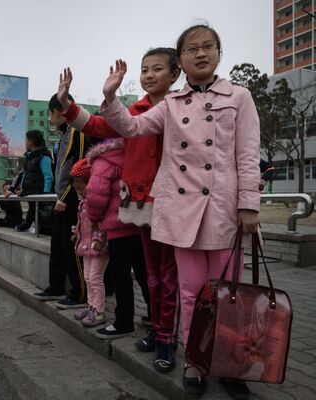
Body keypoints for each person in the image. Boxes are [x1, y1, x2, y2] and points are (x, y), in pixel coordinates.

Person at [96, 25, 261, 399]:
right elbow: (133, 127)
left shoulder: (239, 96)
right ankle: (196, 361)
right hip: (181, 211)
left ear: (219, 52)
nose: (200, 54)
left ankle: (231, 365)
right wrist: (111, 96)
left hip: (224, 211)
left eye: (207, 47)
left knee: (227, 296)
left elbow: (249, 154)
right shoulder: (170, 104)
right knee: (190, 293)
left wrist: (249, 204)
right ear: (181, 60)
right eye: (191, 49)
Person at [59, 48, 182, 372]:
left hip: (173, 203)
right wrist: (67, 102)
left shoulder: (183, 108)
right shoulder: (135, 112)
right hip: (140, 206)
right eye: (144, 69)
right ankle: (158, 331)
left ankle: (168, 338)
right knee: (152, 277)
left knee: (166, 277)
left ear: (174, 75)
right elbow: (97, 125)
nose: (149, 74)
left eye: (157, 68)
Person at [33, 93, 91, 309]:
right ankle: (56, 286)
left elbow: (81, 168)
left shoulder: (78, 131)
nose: (50, 119)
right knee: (57, 244)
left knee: (71, 248)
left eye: (51, 113)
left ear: (58, 111)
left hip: (72, 200)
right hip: (62, 200)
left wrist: (66, 197)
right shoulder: (65, 135)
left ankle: (79, 293)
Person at [69, 158, 110, 327]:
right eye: (76, 188)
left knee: (95, 278)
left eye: (81, 187)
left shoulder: (96, 202)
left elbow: (103, 223)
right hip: (86, 246)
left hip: (98, 247)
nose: (79, 191)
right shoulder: (83, 203)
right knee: (87, 277)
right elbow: (82, 225)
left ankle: (99, 311)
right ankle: (91, 306)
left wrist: (99, 239)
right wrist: (75, 233)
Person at [15, 130, 54, 234]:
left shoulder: (43, 156)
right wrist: (22, 188)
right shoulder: (30, 157)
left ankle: (40, 228)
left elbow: (48, 176)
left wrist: (46, 194)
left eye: (26, 140)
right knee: (33, 209)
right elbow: (25, 174)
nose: (25, 142)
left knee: (40, 214)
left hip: (40, 193)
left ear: (31, 142)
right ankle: (28, 224)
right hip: (31, 192)